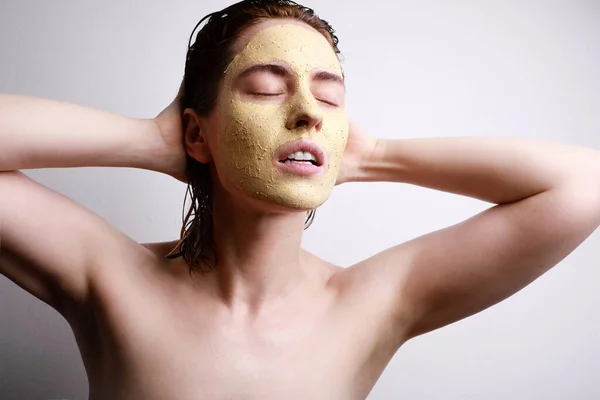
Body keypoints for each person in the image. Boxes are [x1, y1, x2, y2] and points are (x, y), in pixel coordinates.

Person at [1, 0, 599, 398]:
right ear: (195, 131)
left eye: (330, 97)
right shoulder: (112, 278)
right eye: (265, 88)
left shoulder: (373, 302)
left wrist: (376, 155)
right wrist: (155, 141)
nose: (308, 113)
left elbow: (586, 184)